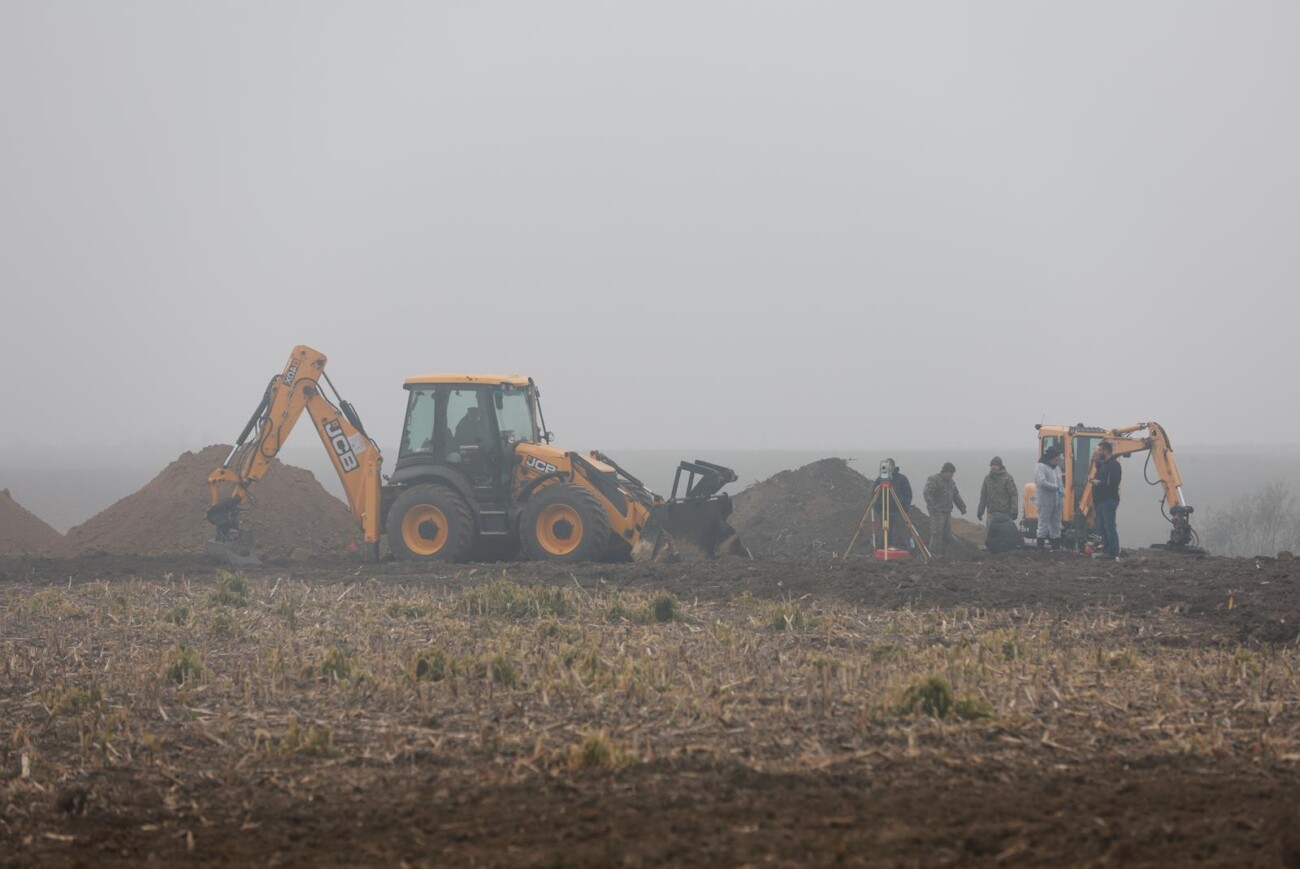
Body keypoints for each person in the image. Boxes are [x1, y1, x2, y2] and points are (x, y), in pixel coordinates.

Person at [923, 462, 966, 555]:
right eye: (951, 473)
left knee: (947, 534)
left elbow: (956, 495)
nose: (952, 475)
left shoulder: (951, 482)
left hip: (947, 511)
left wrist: (962, 507)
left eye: (953, 473)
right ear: (945, 472)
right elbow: (927, 493)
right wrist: (931, 504)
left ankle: (945, 553)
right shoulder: (934, 479)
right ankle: (933, 553)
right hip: (936, 511)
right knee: (937, 533)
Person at [1090, 441, 1122, 560]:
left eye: (1098, 450)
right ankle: (1106, 550)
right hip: (1100, 500)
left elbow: (1113, 482)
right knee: (1102, 526)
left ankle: (1112, 552)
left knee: (1109, 525)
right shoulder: (1102, 465)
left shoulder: (1113, 465)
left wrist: (1099, 483)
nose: (1096, 453)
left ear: (1105, 451)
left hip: (1108, 499)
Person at [872, 460, 913, 550]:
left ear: (894, 466)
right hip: (884, 512)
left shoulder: (902, 479)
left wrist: (905, 508)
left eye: (889, 466)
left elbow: (908, 495)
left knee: (901, 533)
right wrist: (878, 510)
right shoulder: (880, 480)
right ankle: (884, 550)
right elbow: (873, 495)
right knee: (885, 533)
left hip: (898, 511)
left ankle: (903, 551)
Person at [1033, 446, 1065, 550]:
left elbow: (1060, 483)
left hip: (1057, 502)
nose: (1059, 460)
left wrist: (1061, 495)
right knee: (1043, 524)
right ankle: (1040, 549)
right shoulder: (1040, 467)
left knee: (1056, 525)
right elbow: (1042, 482)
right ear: (1052, 457)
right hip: (1045, 501)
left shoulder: (1057, 468)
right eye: (1057, 458)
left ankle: (1055, 548)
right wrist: (1056, 488)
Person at [976, 456, 1018, 527]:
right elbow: (983, 496)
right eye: (991, 465)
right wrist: (980, 511)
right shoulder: (987, 479)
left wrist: (1014, 511)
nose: (993, 467)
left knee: (1004, 535)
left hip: (1005, 514)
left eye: (995, 465)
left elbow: (1013, 495)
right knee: (990, 535)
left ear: (1000, 466)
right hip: (991, 514)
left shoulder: (1008, 478)